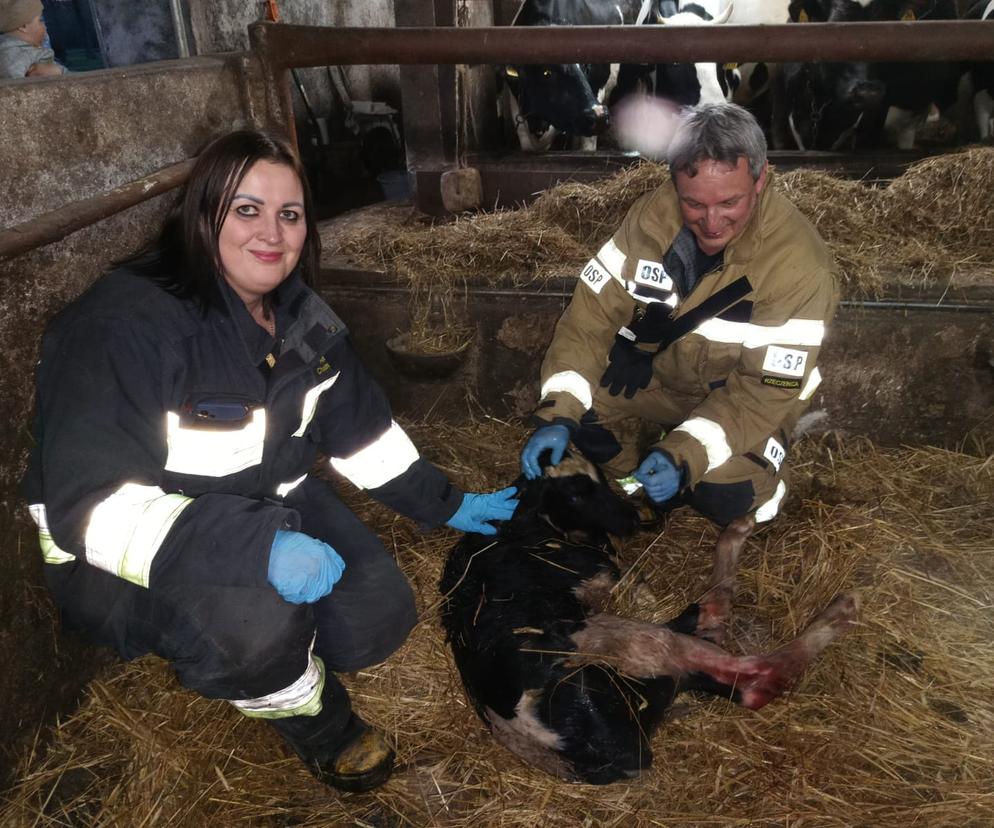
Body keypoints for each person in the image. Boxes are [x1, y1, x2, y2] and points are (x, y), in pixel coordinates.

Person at [20, 130, 518, 793]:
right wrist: (257, 552)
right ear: (202, 214)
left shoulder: (300, 319)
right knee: (255, 628)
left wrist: (450, 503)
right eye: (246, 210)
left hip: (264, 505)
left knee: (377, 620)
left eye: (290, 214)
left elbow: (362, 434)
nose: (274, 234)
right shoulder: (123, 329)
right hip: (123, 556)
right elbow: (91, 510)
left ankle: (263, 645)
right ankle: (320, 728)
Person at [521, 102, 838, 527]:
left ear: (761, 179)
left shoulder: (800, 267)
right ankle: (636, 476)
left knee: (723, 496)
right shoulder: (649, 220)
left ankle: (766, 480)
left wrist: (685, 455)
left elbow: (763, 390)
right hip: (667, 380)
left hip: (749, 401)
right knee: (574, 411)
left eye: (730, 202)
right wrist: (559, 413)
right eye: (693, 203)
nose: (711, 222)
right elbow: (588, 321)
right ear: (673, 183)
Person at [0, 0, 64, 79]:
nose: (45, 26)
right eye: (40, 21)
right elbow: (13, 88)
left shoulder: (26, 50)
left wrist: (59, 71)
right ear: (23, 26)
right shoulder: (11, 55)